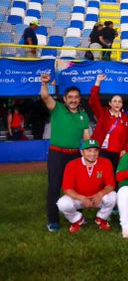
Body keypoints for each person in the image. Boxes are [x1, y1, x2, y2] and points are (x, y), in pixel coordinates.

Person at [40, 74, 90, 232]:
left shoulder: (83, 116)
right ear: (65, 99)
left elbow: (86, 137)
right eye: (70, 97)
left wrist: (88, 153)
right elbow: (45, 96)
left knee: (77, 186)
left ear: (79, 99)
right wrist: (44, 83)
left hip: (75, 155)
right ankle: (53, 220)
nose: (73, 100)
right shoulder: (58, 109)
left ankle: (78, 216)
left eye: (76, 97)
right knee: (54, 187)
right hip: (57, 154)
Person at [56, 139, 117, 233]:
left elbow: (111, 185)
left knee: (113, 196)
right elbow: (67, 189)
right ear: (82, 152)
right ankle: (77, 220)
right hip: (79, 198)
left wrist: (100, 194)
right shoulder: (72, 165)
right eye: (89, 150)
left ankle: (101, 218)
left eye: (95, 150)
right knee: (62, 203)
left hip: (97, 198)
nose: (93, 154)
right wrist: (82, 198)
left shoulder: (106, 162)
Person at [89, 74, 128, 170]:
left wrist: (125, 149)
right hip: (102, 151)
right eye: (115, 101)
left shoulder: (125, 119)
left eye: (119, 101)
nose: (117, 103)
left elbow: (127, 137)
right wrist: (98, 82)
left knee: (114, 178)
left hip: (117, 154)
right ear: (110, 103)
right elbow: (93, 100)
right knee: (100, 177)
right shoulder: (103, 114)